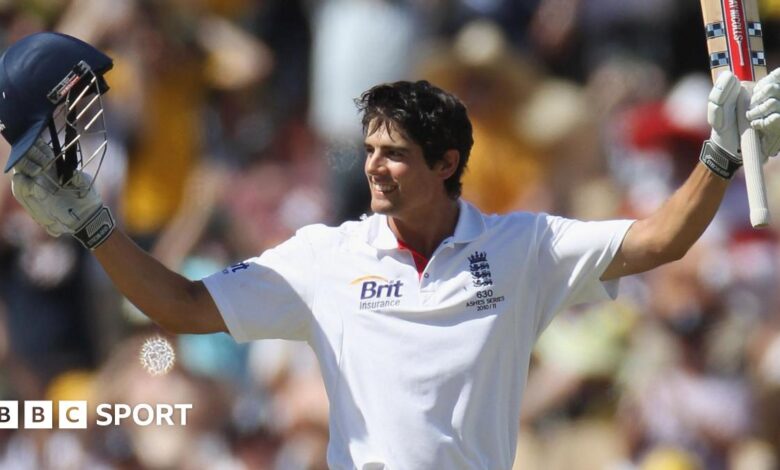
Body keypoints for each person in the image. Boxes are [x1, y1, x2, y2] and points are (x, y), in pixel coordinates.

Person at [4, 32, 780, 470]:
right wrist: (95, 228)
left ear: (447, 163)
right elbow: (177, 305)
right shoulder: (324, 257)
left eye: (396, 153)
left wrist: (716, 154)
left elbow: (662, 239)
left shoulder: (524, 245)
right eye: (370, 149)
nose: (373, 167)